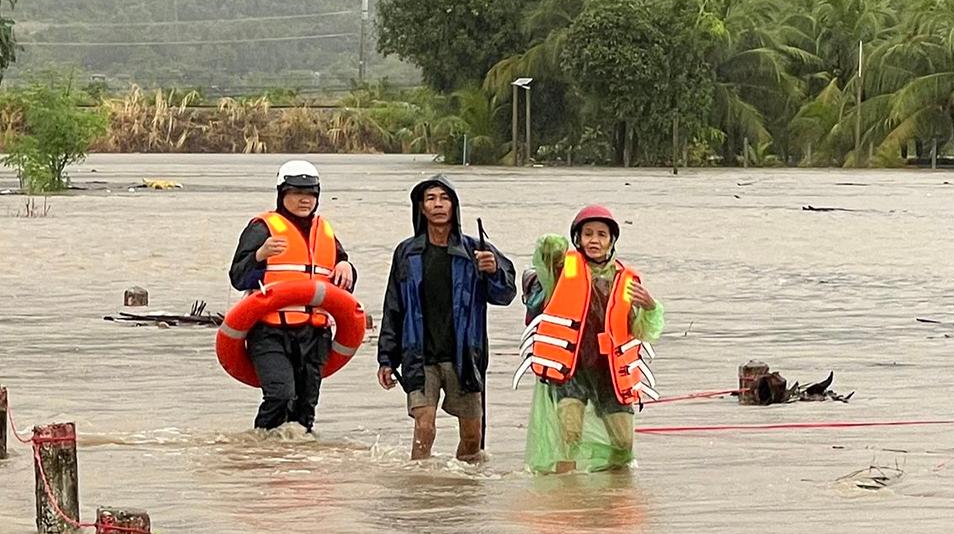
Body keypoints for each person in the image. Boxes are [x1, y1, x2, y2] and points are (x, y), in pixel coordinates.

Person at [376, 177, 517, 461]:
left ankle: (462, 494)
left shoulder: (475, 250)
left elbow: (505, 295)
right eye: (431, 198)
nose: (438, 204)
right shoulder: (407, 252)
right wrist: (386, 359)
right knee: (424, 428)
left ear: (454, 206)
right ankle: (422, 488)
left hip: (464, 356)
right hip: (419, 356)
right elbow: (393, 307)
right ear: (421, 208)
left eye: (444, 198)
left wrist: (493, 272)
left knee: (472, 438)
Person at [517, 204, 665, 473]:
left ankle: (614, 498)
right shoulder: (562, 272)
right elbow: (546, 252)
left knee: (623, 441)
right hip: (571, 367)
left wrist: (651, 307)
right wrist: (553, 247)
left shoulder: (626, 280)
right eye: (587, 234)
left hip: (609, 371)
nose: (594, 240)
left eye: (601, 234)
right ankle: (567, 497)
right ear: (578, 239)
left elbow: (644, 331)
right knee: (568, 435)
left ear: (611, 241)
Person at [228, 160, 356, 433]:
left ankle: (294, 464)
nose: (304, 199)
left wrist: (346, 265)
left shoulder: (325, 230)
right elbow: (238, 277)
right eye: (297, 192)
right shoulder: (262, 228)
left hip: (315, 334)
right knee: (280, 395)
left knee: (305, 407)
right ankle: (260, 453)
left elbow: (341, 277)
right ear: (282, 193)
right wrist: (259, 255)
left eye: (310, 193)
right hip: (270, 332)